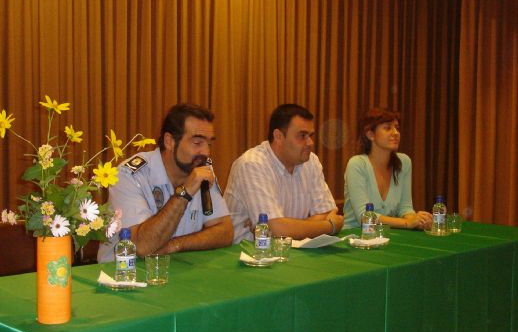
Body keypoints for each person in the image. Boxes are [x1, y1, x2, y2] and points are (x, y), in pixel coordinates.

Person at [97, 103, 233, 262]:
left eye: (209, 144)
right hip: (124, 277)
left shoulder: (201, 167)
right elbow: (141, 247)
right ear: (169, 141)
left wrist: (175, 245)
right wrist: (185, 192)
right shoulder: (130, 175)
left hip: (172, 272)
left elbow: (225, 231)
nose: (206, 152)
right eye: (197, 143)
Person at [224, 103, 343, 244]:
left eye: (311, 135)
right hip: (247, 254)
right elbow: (275, 230)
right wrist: (330, 226)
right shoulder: (252, 164)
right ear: (278, 136)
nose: (310, 142)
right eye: (302, 136)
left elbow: (328, 212)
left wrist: (285, 226)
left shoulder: (311, 161)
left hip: (289, 251)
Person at [343, 107, 432, 230]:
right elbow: (364, 217)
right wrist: (406, 223)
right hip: (355, 237)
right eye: (388, 128)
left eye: (397, 128)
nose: (396, 133)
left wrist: (416, 219)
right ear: (370, 135)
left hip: (388, 235)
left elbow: (404, 207)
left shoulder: (404, 162)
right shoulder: (357, 164)